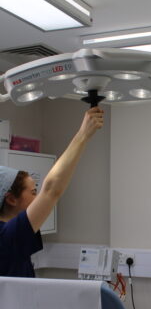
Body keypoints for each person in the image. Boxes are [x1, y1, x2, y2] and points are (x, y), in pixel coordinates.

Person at [0, 106, 104, 277]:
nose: (38, 197)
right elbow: (51, 190)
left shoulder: (12, 238)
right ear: (11, 199)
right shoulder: (6, 238)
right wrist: (83, 135)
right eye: (34, 192)